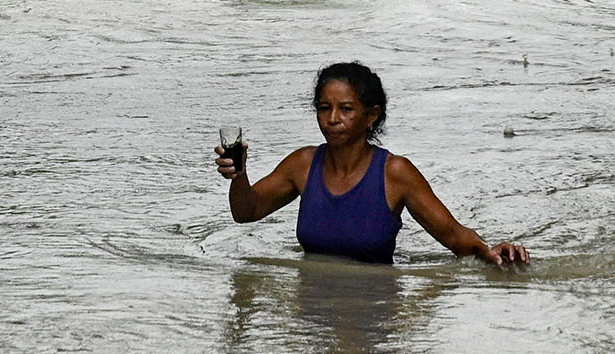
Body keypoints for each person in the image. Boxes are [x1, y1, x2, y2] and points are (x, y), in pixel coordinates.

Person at [215, 62, 530, 268]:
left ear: (372, 115)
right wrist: (238, 176)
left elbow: (454, 236)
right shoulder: (303, 164)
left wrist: (490, 251)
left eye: (346, 109)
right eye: (324, 108)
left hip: (375, 306)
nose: (333, 118)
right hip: (313, 315)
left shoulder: (395, 173)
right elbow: (247, 212)